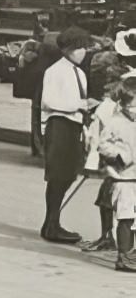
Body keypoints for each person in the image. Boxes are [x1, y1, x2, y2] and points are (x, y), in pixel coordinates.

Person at [40, 26, 95, 243]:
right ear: (69, 49)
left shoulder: (78, 72)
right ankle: (51, 224)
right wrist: (80, 105)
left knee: (68, 174)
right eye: (80, 48)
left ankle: (52, 222)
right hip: (59, 124)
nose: (83, 53)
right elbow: (49, 101)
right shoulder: (55, 71)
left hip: (73, 125)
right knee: (58, 176)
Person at [97, 75, 136, 271]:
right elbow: (103, 145)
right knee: (126, 217)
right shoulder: (115, 122)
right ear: (123, 104)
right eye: (132, 107)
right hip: (123, 177)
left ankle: (131, 252)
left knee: (135, 218)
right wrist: (118, 157)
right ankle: (124, 256)